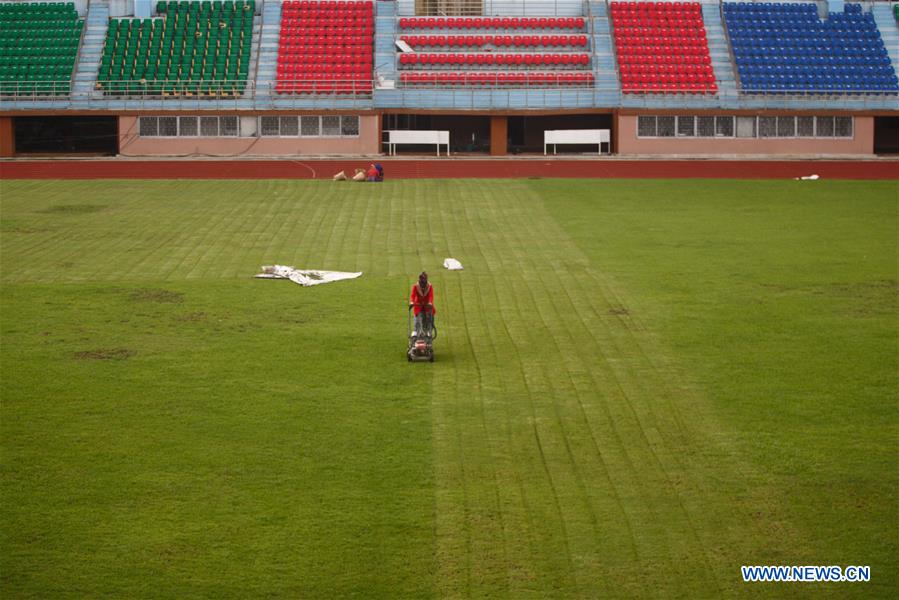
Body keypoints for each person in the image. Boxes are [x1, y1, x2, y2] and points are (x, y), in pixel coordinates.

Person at [410, 271, 435, 339]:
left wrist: (430, 303)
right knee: (417, 320)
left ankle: (428, 333)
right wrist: (412, 302)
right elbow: (413, 295)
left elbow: (431, 296)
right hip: (418, 306)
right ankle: (416, 333)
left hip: (428, 307)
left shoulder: (430, 286)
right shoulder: (415, 286)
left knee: (428, 321)